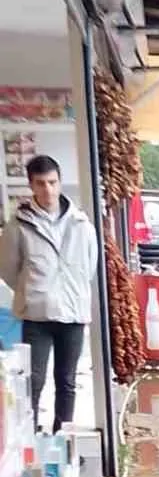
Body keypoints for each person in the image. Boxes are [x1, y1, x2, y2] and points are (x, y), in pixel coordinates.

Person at [0, 154, 97, 433]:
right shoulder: (18, 225)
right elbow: (8, 268)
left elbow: (89, 265)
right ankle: (28, 439)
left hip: (73, 313)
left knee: (67, 381)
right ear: (31, 185)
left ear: (60, 182)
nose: (48, 190)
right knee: (33, 381)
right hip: (37, 315)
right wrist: (32, 290)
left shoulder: (81, 223)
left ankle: (63, 437)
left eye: (53, 182)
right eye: (41, 183)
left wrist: (72, 290)